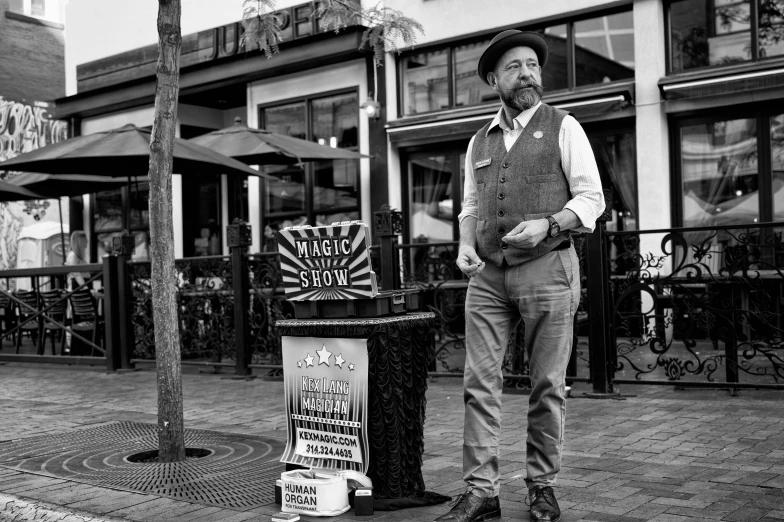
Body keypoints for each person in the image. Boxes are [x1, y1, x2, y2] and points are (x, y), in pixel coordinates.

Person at [435, 31, 605, 522]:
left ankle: (542, 485)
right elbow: (469, 206)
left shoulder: (564, 127)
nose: (527, 73)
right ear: (494, 79)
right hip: (487, 276)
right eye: (514, 67)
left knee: (547, 384)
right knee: (478, 383)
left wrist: (550, 225)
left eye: (532, 64)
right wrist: (465, 245)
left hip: (549, 268)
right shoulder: (477, 141)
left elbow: (591, 199)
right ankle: (482, 492)